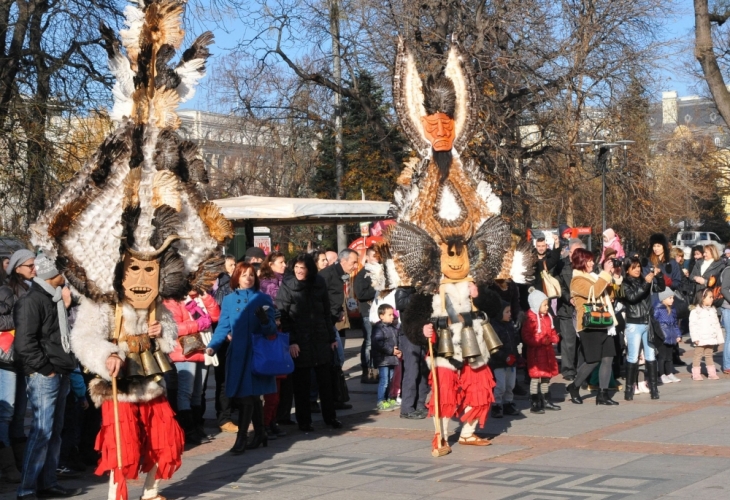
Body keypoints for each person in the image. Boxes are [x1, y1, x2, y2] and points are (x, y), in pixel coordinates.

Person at [14, 254, 80, 499]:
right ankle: (27, 489)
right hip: (46, 374)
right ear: (52, 273)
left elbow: (53, 334)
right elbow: (25, 343)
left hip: (60, 370)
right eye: (63, 271)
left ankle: (47, 482)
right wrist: (45, 368)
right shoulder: (32, 301)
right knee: (41, 431)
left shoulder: (53, 298)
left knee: (54, 431)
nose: (67, 275)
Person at [206, 262, 277, 454]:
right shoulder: (229, 300)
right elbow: (223, 327)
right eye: (244, 275)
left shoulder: (263, 298)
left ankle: (242, 437)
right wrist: (213, 346)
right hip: (238, 354)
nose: (248, 278)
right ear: (236, 277)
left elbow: (272, 329)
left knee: (250, 396)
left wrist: (264, 319)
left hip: (257, 354)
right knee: (249, 396)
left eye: (251, 275)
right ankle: (260, 432)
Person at [275, 254, 342, 432]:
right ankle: (304, 421)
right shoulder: (288, 285)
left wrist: (331, 338)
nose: (298, 270)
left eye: (302, 267)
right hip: (299, 340)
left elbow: (326, 313)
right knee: (301, 384)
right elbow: (283, 315)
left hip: (320, 338)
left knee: (325, 382)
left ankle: (331, 417)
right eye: (296, 266)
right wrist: (292, 341)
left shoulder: (319, 283)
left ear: (309, 269)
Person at [165, 291, 219, 446]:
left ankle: (197, 427)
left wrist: (205, 297)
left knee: (198, 393)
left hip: (202, 350)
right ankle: (188, 430)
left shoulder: (200, 298)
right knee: (185, 393)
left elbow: (215, 316)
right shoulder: (173, 299)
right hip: (184, 352)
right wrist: (197, 324)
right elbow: (174, 328)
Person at [566, 248, 619, 406]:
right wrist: (604, 274)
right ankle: (574, 387)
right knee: (592, 360)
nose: (591, 263)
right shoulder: (577, 280)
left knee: (608, 357)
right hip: (589, 324)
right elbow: (594, 292)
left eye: (591, 260)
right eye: (588, 261)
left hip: (604, 322)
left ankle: (602, 394)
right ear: (580, 262)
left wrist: (611, 279)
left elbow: (607, 296)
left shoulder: (595, 276)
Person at [0, 249, 36, 483]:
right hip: (7, 358)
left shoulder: (30, 289)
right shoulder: (6, 290)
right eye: (29, 265)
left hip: (23, 358)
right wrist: (23, 319)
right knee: (6, 412)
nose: (34, 269)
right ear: (16, 267)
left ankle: (20, 464)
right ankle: (7, 467)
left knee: (20, 413)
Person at [258, 251, 288, 439]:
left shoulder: (284, 281)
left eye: (285, 262)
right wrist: (276, 318)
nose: (284, 265)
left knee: (278, 387)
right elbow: (271, 308)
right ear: (270, 264)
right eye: (281, 262)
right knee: (270, 388)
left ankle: (271, 421)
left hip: (280, 336)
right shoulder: (266, 284)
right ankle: (265, 423)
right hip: (269, 338)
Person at [621, 257, 658, 400]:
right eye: (633, 267)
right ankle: (629, 389)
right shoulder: (625, 283)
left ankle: (654, 388)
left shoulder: (646, 280)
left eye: (638, 267)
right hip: (634, 323)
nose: (637, 270)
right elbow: (632, 297)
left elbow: (660, 288)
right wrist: (646, 283)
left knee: (651, 355)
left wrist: (658, 276)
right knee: (633, 356)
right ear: (627, 270)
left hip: (647, 321)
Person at [522, 289, 560, 414]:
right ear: (536, 305)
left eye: (547, 304)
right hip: (536, 354)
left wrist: (554, 338)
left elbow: (552, 331)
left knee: (545, 377)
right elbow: (527, 336)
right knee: (535, 377)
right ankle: (534, 401)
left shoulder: (548, 318)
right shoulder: (530, 319)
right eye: (544, 305)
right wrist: (540, 341)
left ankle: (546, 399)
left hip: (547, 352)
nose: (547, 307)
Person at [213, 254, 238, 434]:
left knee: (224, 378)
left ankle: (225, 415)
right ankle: (222, 415)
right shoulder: (220, 286)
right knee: (222, 378)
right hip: (216, 338)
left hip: (223, 338)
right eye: (231, 264)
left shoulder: (227, 284)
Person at [554, 239, 584, 380]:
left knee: (582, 342)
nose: (572, 254)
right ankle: (568, 370)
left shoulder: (585, 264)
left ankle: (581, 369)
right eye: (571, 251)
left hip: (582, 309)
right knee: (568, 341)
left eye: (575, 252)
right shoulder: (562, 265)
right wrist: (568, 298)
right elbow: (559, 285)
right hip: (566, 309)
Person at [486, 299, 522, 419]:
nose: (509, 314)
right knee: (500, 385)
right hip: (499, 362)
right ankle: (496, 405)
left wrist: (516, 356)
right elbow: (493, 347)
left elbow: (514, 342)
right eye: (507, 312)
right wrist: (504, 357)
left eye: (510, 311)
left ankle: (508, 403)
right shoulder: (494, 327)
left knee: (510, 385)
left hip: (511, 362)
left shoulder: (510, 325)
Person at [354, 247, 379, 384]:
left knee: (377, 341)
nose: (377, 258)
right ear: (367, 257)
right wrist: (375, 288)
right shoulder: (363, 274)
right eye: (374, 256)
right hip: (367, 312)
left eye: (378, 256)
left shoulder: (381, 272)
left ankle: (376, 368)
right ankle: (368, 370)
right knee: (369, 341)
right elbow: (360, 293)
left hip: (379, 313)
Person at [371, 304, 402, 411]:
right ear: (381, 316)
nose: (392, 316)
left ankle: (389, 399)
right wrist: (391, 350)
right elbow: (378, 343)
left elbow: (397, 341)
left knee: (390, 380)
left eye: (392, 314)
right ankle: (381, 400)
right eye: (389, 315)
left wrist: (398, 351)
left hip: (392, 359)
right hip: (383, 359)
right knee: (384, 381)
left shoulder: (393, 328)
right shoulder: (378, 328)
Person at [689, 288, 724, 381]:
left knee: (709, 354)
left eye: (712, 297)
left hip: (710, 337)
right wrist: (695, 337)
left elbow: (716, 324)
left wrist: (718, 337)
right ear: (702, 298)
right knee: (698, 355)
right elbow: (693, 325)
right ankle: (696, 373)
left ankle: (712, 373)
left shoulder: (713, 310)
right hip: (700, 338)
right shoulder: (696, 311)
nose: (712, 299)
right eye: (710, 297)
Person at [653, 289, 682, 386]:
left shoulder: (673, 310)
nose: (672, 300)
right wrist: (657, 335)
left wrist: (678, 335)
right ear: (663, 299)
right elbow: (654, 323)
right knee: (662, 357)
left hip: (671, 336)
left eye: (673, 297)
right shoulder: (658, 309)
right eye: (670, 298)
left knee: (669, 357)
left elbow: (675, 324)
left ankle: (669, 373)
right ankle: (661, 374)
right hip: (662, 337)